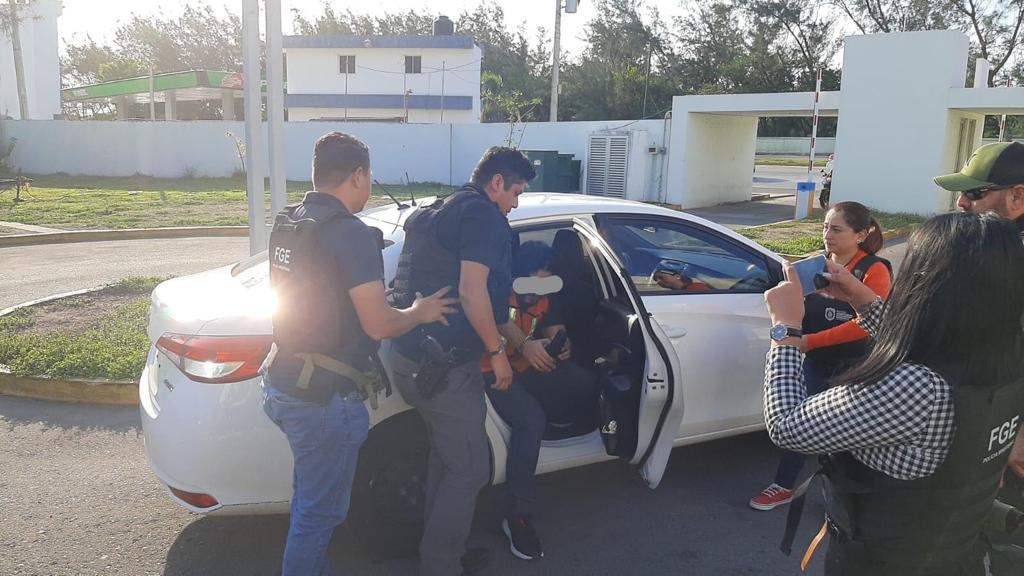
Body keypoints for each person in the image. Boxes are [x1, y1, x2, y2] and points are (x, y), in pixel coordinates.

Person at [763, 211, 1024, 575]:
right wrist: (865, 302)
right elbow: (931, 346)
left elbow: (787, 427)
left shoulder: (917, 388)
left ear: (928, 284)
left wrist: (785, 331)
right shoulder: (1005, 361)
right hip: (955, 554)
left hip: (880, 561)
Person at [261, 131, 456, 576]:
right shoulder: (349, 234)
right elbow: (380, 324)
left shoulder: (292, 221)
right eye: (369, 177)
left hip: (285, 379)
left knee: (309, 502)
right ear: (358, 175)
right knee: (319, 515)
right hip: (323, 397)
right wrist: (420, 311)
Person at [389, 147, 536, 576]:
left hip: (412, 358)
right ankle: (441, 565)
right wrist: (498, 353)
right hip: (448, 369)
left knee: (448, 461)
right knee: (470, 471)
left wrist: (514, 341)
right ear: (497, 183)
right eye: (516, 192)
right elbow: (473, 293)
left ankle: (440, 554)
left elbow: (479, 296)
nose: (515, 203)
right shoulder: (483, 217)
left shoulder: (443, 209)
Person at [750, 201, 892, 511]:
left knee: (850, 434)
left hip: (857, 365)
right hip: (817, 362)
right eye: (825, 227)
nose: (828, 235)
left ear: (861, 235)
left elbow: (865, 325)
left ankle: (844, 499)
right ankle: (783, 485)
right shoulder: (814, 265)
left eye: (837, 229)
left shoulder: (874, 269)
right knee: (801, 422)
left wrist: (808, 342)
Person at [480, 241, 601, 561]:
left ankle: (555, 415)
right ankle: (517, 517)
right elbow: (496, 325)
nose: (539, 290)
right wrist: (526, 347)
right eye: (535, 281)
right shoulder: (497, 294)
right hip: (492, 372)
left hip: (526, 367)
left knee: (585, 382)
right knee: (531, 420)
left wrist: (561, 346)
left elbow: (556, 330)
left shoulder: (546, 295)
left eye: (547, 281)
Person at [935, 140, 1024, 573]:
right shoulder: (988, 252)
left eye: (975, 193)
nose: (962, 203)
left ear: (1018, 197)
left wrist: (1017, 432)